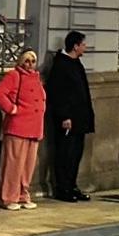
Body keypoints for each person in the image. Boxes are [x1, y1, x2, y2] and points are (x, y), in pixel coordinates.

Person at [0, 49, 45, 210]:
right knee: (13, 164)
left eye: (33, 61)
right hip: (18, 126)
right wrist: (12, 109)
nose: (29, 64)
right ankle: (8, 197)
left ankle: (22, 195)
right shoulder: (14, 76)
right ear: (21, 61)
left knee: (27, 165)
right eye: (26, 61)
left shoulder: (36, 78)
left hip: (34, 127)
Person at [44, 31, 94, 202]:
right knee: (65, 153)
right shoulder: (61, 65)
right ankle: (63, 188)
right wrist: (64, 116)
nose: (85, 47)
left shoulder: (76, 62)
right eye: (83, 44)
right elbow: (58, 94)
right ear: (75, 46)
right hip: (68, 120)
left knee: (76, 154)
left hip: (80, 118)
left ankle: (72, 185)